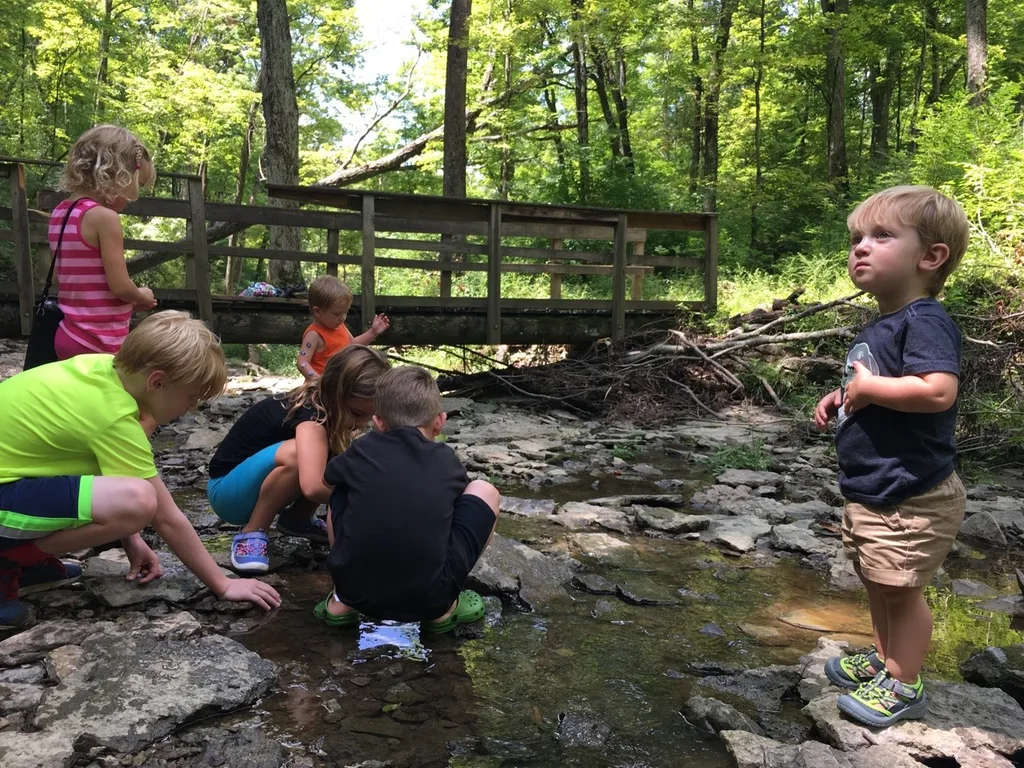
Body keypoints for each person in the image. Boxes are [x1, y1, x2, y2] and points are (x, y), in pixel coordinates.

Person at [0, 311, 280, 630]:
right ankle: (13, 558)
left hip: (13, 478)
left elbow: (106, 470)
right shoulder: (115, 418)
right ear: (157, 382)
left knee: (125, 497)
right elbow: (165, 516)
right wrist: (223, 584)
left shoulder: (102, 369)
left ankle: (27, 563)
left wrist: (131, 539)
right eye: (191, 397)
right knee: (140, 501)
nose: (191, 409)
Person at [814, 186, 969, 728]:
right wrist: (844, 396)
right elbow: (873, 384)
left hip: (912, 489)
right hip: (875, 486)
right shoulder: (882, 323)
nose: (861, 247)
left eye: (881, 236)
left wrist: (874, 389)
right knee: (878, 578)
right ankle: (884, 661)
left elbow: (935, 390)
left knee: (902, 590)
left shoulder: (924, 319)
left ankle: (905, 684)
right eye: (857, 237)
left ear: (930, 257)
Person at [315, 365, 500, 633]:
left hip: (356, 591)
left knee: (341, 486)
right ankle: (445, 608)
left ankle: (341, 600)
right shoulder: (446, 459)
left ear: (377, 422)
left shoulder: (362, 449)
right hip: (429, 601)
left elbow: (325, 481)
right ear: (440, 422)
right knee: (484, 490)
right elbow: (455, 501)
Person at [208, 345, 390, 574]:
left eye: (370, 416)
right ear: (334, 393)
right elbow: (313, 487)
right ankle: (252, 531)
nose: (363, 424)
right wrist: (368, 499)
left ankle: (297, 519)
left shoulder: (327, 407)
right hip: (227, 493)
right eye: (356, 413)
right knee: (297, 456)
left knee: (339, 459)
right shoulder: (310, 416)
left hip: (252, 486)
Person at [53, 125, 159, 361]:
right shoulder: (105, 218)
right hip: (100, 342)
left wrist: (127, 305)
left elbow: (63, 280)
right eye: (137, 185)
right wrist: (141, 296)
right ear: (118, 175)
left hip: (68, 334)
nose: (134, 197)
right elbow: (120, 287)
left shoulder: (61, 213)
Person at [296, 275, 390, 379]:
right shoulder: (314, 334)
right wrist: (318, 381)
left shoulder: (339, 326)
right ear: (317, 311)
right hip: (321, 389)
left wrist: (373, 332)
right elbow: (302, 363)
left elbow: (352, 344)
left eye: (346, 312)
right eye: (337, 314)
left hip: (341, 384)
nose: (343, 318)